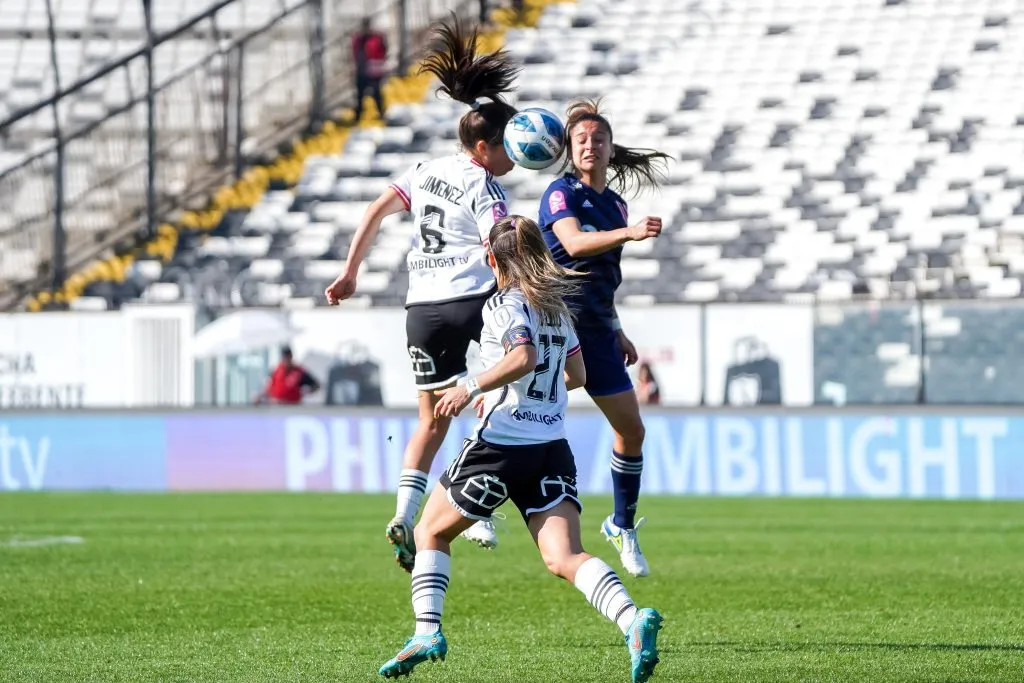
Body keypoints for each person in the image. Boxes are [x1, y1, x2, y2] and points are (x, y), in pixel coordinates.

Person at [377, 215, 664, 683]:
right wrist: (536, 391)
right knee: (564, 557)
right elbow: (577, 377)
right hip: (550, 447)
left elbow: (523, 356)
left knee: (430, 532)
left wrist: (474, 385)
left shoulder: (504, 305)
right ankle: (632, 621)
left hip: (501, 446)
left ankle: (427, 631)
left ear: (492, 259)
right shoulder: (556, 307)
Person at [325, 14, 520, 571]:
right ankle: (477, 510)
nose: (511, 158)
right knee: (499, 398)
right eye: (506, 148)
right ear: (483, 147)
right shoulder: (485, 185)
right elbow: (495, 250)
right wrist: (517, 297)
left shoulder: (422, 170)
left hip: (421, 312)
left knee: (430, 420)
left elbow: (375, 210)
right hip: (473, 304)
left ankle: (403, 515)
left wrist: (350, 273)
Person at [537, 98, 670, 578]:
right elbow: (572, 244)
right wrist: (630, 234)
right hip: (554, 326)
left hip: (595, 330)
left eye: (598, 139)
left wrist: (616, 328)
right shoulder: (560, 193)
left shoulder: (615, 204)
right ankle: (474, 502)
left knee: (632, 430)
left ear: (611, 148)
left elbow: (602, 276)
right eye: (581, 140)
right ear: (570, 151)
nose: (590, 146)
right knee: (522, 410)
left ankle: (621, 524)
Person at [253, 346, 320, 405]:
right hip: (276, 407)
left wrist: (306, 391)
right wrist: (260, 396)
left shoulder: (299, 372)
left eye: (288, 357)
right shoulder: (276, 371)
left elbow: (316, 385)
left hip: (292, 407)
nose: (286, 359)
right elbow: (268, 387)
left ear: (291, 357)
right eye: (284, 357)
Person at [351, 17, 388, 123]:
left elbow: (382, 51)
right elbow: (355, 53)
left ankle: (381, 114)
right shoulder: (359, 39)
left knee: (377, 94)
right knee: (360, 95)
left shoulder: (377, 38)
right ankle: (358, 117)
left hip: (374, 70)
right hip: (362, 70)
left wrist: (379, 63)